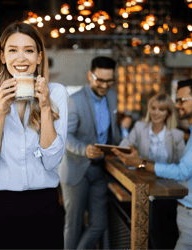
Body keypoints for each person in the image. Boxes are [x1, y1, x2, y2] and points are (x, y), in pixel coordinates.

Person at [0, 21, 68, 250]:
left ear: (39, 57)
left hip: (45, 206)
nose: (21, 58)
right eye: (13, 50)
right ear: (2, 56)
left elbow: (52, 161)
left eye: (29, 50)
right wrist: (1, 112)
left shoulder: (56, 93)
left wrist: (45, 108)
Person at [113, 79, 192, 250]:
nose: (177, 105)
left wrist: (142, 164)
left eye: (181, 100)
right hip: (186, 212)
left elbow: (182, 171)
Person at [58, 56, 122, 250]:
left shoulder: (112, 97)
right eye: (99, 80)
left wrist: (123, 139)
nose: (104, 85)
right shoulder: (75, 100)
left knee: (100, 223)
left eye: (109, 81)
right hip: (76, 169)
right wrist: (84, 149)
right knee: (74, 224)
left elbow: (112, 132)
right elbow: (65, 136)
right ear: (90, 75)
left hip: (99, 169)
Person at [119, 93, 185, 250]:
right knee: (144, 228)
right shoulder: (140, 128)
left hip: (168, 189)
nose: (156, 113)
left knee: (162, 231)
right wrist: (131, 151)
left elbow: (182, 165)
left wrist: (143, 161)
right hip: (144, 185)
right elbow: (122, 146)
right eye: (153, 108)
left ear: (168, 113)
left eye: (161, 109)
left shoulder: (176, 135)